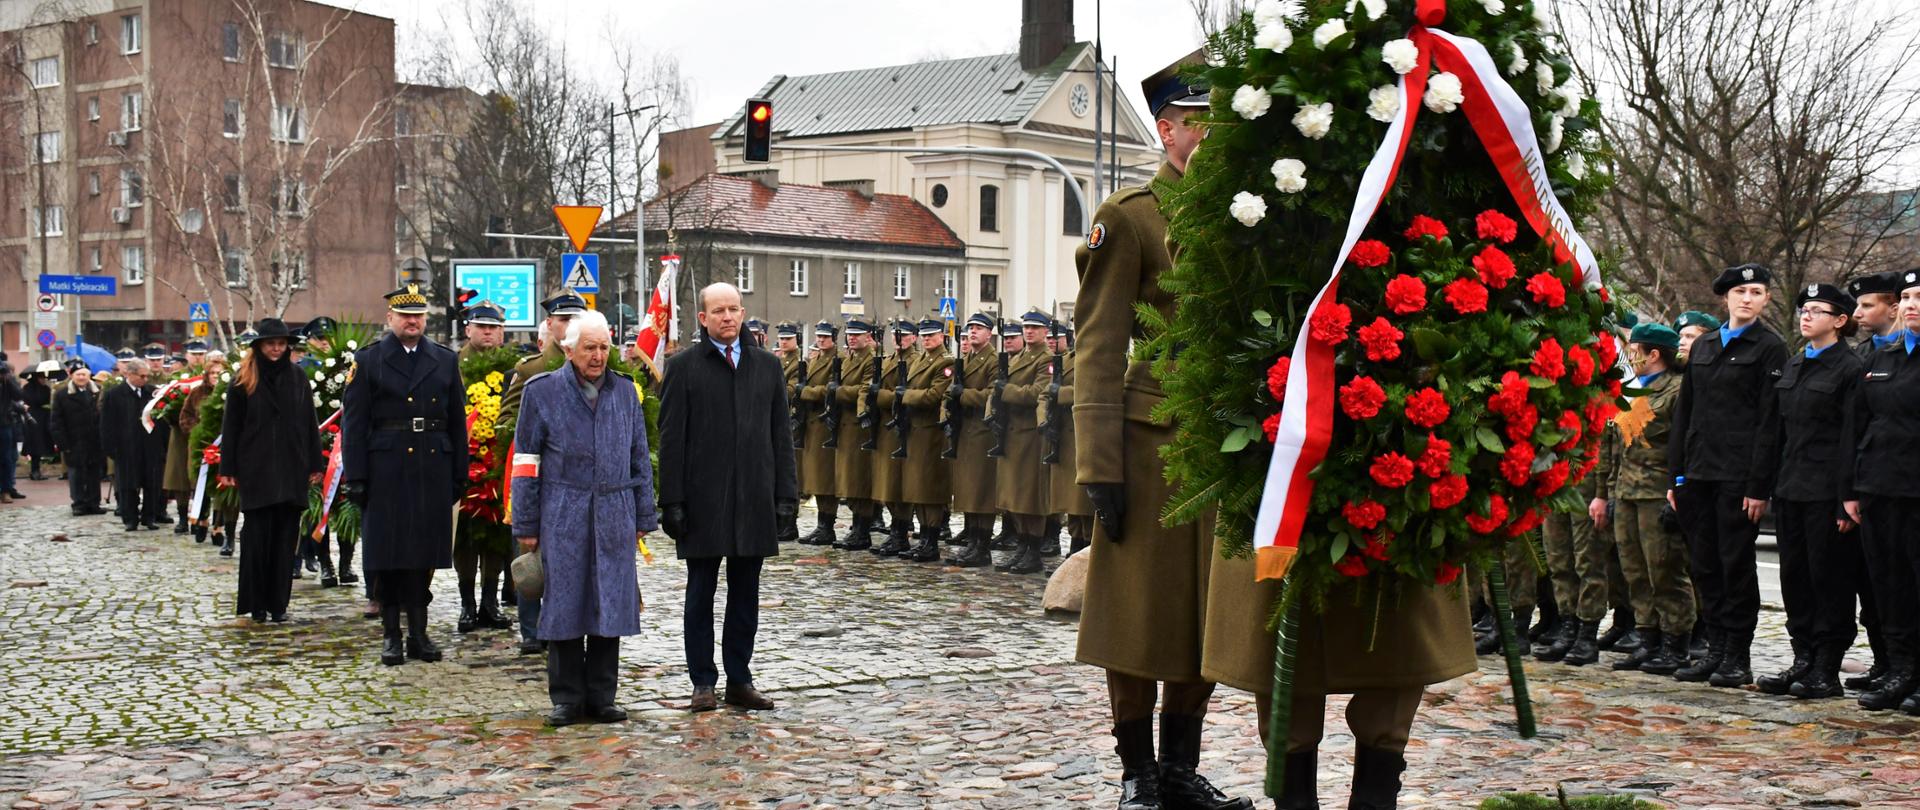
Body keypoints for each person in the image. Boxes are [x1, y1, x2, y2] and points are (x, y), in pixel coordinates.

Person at [1074, 53, 1257, 810]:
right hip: (1148, 445)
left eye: (1221, 125)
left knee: (1204, 616)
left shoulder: (1247, 214)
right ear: (1167, 130)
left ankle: (1181, 768)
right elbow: (1098, 343)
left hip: (1225, 446)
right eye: (1197, 124)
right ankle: (1137, 773)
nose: (1210, 138)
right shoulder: (1130, 217)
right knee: (1136, 617)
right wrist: (1099, 466)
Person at [510, 309, 656, 726]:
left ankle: (602, 696)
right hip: (562, 512)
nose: (598, 356)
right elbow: (525, 461)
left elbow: (639, 457)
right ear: (569, 349)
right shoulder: (542, 392)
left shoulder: (624, 392)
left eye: (604, 347)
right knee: (565, 604)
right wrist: (526, 523)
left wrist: (643, 514)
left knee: (611, 602)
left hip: (614, 511)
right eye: (590, 348)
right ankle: (567, 698)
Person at [659, 282, 797, 713]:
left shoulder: (767, 366)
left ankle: (740, 678)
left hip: (753, 498)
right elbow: (671, 440)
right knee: (700, 594)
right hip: (702, 502)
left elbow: (781, 435)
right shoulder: (683, 367)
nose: (728, 317)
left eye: (734, 309)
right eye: (718, 311)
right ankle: (702, 682)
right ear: (703, 318)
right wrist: (672, 501)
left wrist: (786, 497)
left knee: (745, 595)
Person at [1668, 263, 1788, 688]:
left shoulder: (1770, 347)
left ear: (1766, 299)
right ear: (1726, 298)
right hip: (1699, 472)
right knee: (1704, 565)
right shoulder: (1705, 345)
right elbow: (1686, 414)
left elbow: (1770, 422)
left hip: (1738, 476)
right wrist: (1675, 475)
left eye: (1756, 292)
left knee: (1735, 565)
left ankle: (1737, 655)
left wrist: (1759, 486)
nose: (1747, 299)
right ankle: (1714, 649)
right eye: (1740, 292)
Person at [1746, 283, 1862, 698]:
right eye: (1804, 310)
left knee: (1828, 578)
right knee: (1794, 577)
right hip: (1791, 488)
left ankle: (1826, 667)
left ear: (1840, 321)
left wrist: (1846, 499)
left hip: (1826, 492)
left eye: (1817, 310)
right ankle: (1803, 658)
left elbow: (1851, 438)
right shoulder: (1794, 365)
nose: (1806, 316)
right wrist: (1762, 485)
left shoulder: (1849, 369)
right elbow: (1775, 433)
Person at [341, 284, 467, 666]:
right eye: (405, 315)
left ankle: (419, 634)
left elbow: (456, 420)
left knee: (422, 556)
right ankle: (391, 635)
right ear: (390, 318)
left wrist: (459, 472)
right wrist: (356, 476)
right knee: (389, 556)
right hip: (387, 469)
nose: (413, 322)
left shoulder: (444, 359)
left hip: (431, 466)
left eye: (418, 315)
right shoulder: (370, 360)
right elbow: (354, 423)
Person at [1596, 324, 1697, 676]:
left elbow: (1685, 443)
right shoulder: (1630, 390)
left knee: (1665, 570)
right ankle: (1647, 638)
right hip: (1627, 492)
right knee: (1635, 570)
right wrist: (1608, 492)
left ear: (1654, 354)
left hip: (1658, 493)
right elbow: (1616, 446)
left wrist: (1680, 490)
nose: (1628, 356)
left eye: (1634, 350)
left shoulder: (1678, 390)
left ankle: (1676, 643)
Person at [1843, 269, 1920, 714]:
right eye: (1906, 297)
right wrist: (1851, 488)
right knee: (1889, 584)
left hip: (1916, 491)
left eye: (1919, 297)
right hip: (1879, 486)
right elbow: (1857, 426)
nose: (1911, 305)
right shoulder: (1883, 357)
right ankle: (1901, 669)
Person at [499, 291, 588, 655]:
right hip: (540, 476)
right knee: (532, 551)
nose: (570, 326)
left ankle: (572, 624)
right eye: (563, 320)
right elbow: (507, 420)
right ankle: (532, 628)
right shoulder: (530, 370)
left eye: (576, 319)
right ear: (550, 325)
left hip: (583, 479)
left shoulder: (598, 363)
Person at [220, 319, 324, 623]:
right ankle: (256, 604)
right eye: (271, 344)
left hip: (292, 467)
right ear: (260, 346)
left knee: (285, 539)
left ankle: (279, 604)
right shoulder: (243, 379)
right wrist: (228, 467)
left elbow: (309, 422)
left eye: (281, 344)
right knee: (257, 539)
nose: (277, 349)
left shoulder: (297, 376)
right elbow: (231, 426)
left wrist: (315, 463)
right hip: (256, 468)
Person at [1841, 270, 1901, 688]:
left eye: (1867, 305)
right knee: (1871, 581)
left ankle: (1901, 666)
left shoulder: (1897, 354)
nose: (1858, 313)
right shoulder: (1864, 355)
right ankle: (1885, 662)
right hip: (1868, 479)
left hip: (1898, 481)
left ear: (1891, 308)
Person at [455, 300, 513, 634]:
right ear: (468, 330)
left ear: (502, 332)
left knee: (497, 536)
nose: (488, 332)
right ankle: (467, 602)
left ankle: (490, 600)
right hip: (466, 463)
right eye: (481, 326)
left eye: (494, 327)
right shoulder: (454, 366)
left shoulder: (512, 368)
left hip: (498, 464)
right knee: (465, 537)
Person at [990, 309, 1052, 576]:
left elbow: (1038, 393)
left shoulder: (1046, 359)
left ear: (1045, 331)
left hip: (1030, 435)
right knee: (1014, 495)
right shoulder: (1017, 358)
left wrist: (1006, 391)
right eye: (1026, 327)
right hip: (1011, 434)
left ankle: (1033, 550)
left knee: (1030, 496)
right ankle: (1022, 545)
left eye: (1035, 328)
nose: (1029, 331)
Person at [944, 314, 1003, 567]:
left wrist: (964, 395)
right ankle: (972, 543)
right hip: (965, 430)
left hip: (982, 431)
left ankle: (982, 546)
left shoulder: (993, 360)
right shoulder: (966, 358)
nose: (973, 332)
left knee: (981, 491)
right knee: (968, 489)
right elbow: (951, 389)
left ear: (989, 333)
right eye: (971, 328)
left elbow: (992, 394)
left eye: (979, 328)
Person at [894, 318, 953, 562]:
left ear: (942, 336)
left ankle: (932, 540)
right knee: (918, 488)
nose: (927, 339)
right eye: (924, 335)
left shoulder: (945, 362)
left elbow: (934, 395)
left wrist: (906, 395)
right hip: (915, 431)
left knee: (931, 490)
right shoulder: (920, 360)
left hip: (931, 433)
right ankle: (924, 538)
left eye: (932, 335)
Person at [1040, 320, 1094, 556]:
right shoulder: (1065, 360)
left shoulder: (1098, 357)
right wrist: (1042, 419)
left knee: (1085, 502)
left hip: (1085, 436)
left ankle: (1087, 550)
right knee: (1070, 500)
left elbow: (1091, 389)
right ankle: (1075, 545)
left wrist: (1059, 393)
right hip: (1062, 435)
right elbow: (1045, 394)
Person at [99, 358, 169, 531]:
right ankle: (130, 518)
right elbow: (106, 423)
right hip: (126, 448)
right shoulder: (114, 394)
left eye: (147, 376)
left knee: (152, 483)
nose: (145, 379)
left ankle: (149, 517)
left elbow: (162, 421)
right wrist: (111, 448)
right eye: (141, 376)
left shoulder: (152, 393)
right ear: (129, 374)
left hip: (151, 447)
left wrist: (163, 445)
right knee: (128, 485)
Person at [869, 320, 918, 556]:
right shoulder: (888, 359)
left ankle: (900, 532)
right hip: (884, 429)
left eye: (905, 335)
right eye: (896, 335)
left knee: (898, 486)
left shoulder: (914, 360)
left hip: (902, 428)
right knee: (887, 485)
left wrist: (881, 396)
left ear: (914, 338)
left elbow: (903, 394)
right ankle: (896, 531)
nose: (899, 340)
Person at [830, 319, 880, 549]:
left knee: (859, 481)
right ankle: (857, 527)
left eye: (857, 334)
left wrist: (838, 392)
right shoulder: (849, 359)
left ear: (868, 337)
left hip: (859, 427)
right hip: (845, 426)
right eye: (849, 334)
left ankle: (862, 530)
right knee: (849, 481)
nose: (852, 338)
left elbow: (864, 390)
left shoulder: (871, 360)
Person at [795, 322, 841, 545]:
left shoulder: (837, 360)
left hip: (825, 424)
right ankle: (822, 525)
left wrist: (806, 392)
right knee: (816, 478)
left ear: (833, 338)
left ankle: (827, 526)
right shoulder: (816, 359)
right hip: (812, 423)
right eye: (818, 336)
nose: (820, 340)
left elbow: (831, 389)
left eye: (825, 337)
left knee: (825, 479)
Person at [180, 353, 233, 549]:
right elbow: (185, 416)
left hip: (223, 444)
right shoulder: (197, 393)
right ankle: (202, 519)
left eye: (219, 373)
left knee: (222, 487)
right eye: (212, 373)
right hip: (201, 445)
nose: (216, 376)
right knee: (201, 484)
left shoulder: (230, 392)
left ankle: (218, 526)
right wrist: (196, 430)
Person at [51, 364, 106, 516]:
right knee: (76, 474)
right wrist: (62, 442)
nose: (81, 377)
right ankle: (79, 503)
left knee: (94, 473)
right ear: (72, 376)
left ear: (89, 376)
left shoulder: (97, 392)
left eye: (84, 374)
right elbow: (56, 421)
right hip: (73, 440)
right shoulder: (62, 394)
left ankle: (94, 503)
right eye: (78, 374)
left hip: (94, 440)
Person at [773, 322, 805, 544]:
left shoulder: (799, 362)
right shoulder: (779, 361)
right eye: (782, 338)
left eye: (788, 338)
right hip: (779, 419)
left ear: (797, 339)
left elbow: (792, 390)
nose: (784, 342)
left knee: (790, 472)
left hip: (793, 419)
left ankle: (789, 521)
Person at [22, 361, 57, 482]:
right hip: (34, 418)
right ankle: (35, 471)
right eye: (42, 378)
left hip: (41, 417)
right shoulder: (31, 389)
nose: (44, 380)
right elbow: (36, 400)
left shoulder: (41, 388)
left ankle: (35, 470)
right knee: (35, 444)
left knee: (39, 444)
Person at [0, 357, 26, 503]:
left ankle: (6, 490)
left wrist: (8, 378)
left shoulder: (6, 382)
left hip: (4, 424)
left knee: (7, 458)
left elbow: (18, 395)